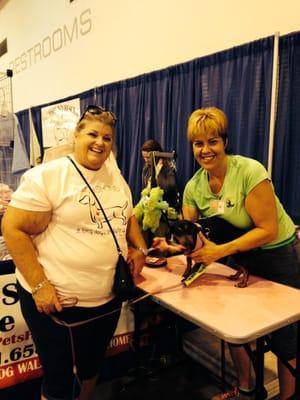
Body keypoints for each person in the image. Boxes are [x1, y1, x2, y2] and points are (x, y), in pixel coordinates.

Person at [1, 105, 148, 400]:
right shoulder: (49, 176)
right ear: (76, 135)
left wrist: (140, 247)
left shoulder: (114, 174)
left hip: (106, 302)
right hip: (57, 306)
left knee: (92, 368)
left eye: (107, 138)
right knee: (58, 380)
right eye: (92, 134)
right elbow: (12, 228)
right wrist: (41, 286)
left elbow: (128, 216)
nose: (100, 142)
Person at [154, 107, 300, 400]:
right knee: (235, 328)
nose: (205, 150)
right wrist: (169, 247)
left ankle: (288, 396)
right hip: (241, 258)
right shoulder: (195, 186)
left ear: (224, 142)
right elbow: (194, 238)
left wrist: (220, 251)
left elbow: (268, 229)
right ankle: (246, 390)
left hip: (276, 253)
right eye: (198, 143)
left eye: (213, 141)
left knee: (287, 339)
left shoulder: (249, 171)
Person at [139, 139, 181, 247]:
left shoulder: (168, 169)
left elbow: (170, 187)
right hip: (149, 212)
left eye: (148, 157)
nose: (146, 160)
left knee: (159, 247)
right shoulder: (146, 169)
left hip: (164, 215)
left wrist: (157, 175)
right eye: (144, 157)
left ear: (156, 154)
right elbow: (145, 191)